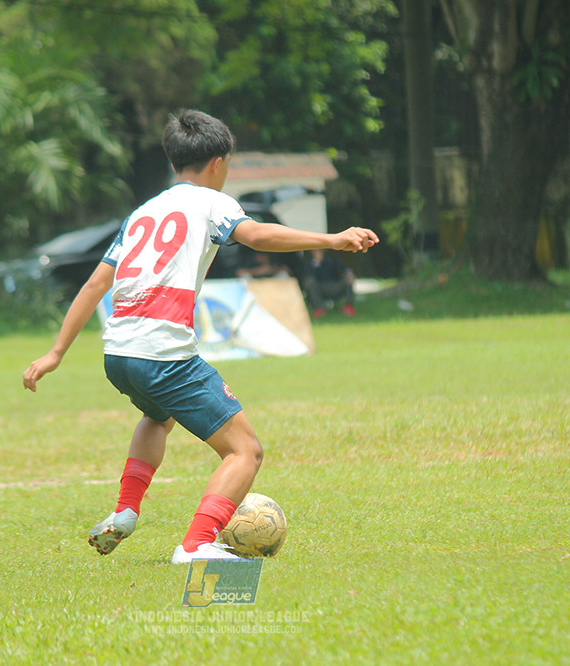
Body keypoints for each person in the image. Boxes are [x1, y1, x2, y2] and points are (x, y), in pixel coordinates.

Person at [23, 109, 379, 564]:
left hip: (118, 353)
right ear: (218, 162)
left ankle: (126, 511)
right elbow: (258, 236)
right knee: (245, 452)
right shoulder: (213, 202)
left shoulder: (142, 212)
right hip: (162, 352)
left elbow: (96, 285)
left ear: (175, 162)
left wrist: (56, 352)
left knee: (157, 418)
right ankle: (196, 545)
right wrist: (332, 239)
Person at [303, 248, 357, 317]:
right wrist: (317, 262)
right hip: (319, 288)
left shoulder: (331, 259)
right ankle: (319, 308)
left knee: (347, 281)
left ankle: (348, 307)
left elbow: (344, 268)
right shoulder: (309, 263)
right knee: (309, 282)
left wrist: (349, 274)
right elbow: (309, 276)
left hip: (334, 285)